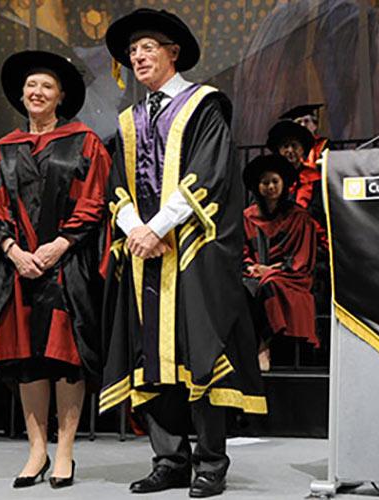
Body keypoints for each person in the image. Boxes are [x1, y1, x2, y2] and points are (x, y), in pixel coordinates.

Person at [101, 9, 267, 497]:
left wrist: (157, 228)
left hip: (193, 252)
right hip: (146, 258)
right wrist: (135, 228)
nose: (138, 57)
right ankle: (169, 458)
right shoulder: (129, 121)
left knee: (200, 353)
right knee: (151, 358)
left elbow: (210, 175)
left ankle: (210, 462)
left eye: (148, 48)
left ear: (174, 53)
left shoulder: (204, 105)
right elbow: (118, 188)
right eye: (133, 52)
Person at [0, 50, 111, 488]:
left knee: (64, 359)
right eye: (30, 87)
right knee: (27, 362)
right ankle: (36, 450)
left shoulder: (85, 142)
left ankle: (65, 451)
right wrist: (13, 251)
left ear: (61, 96)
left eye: (46, 86)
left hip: (65, 265)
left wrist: (58, 246)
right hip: (17, 269)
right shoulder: (3, 149)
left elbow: (94, 201)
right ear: (22, 97)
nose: (37, 92)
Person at [241, 155, 319, 372]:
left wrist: (273, 270)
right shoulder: (248, 217)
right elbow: (242, 251)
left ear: (284, 184)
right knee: (240, 287)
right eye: (265, 182)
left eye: (275, 181)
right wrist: (250, 267)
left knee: (269, 284)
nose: (270, 186)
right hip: (255, 273)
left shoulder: (299, 217)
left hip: (291, 276)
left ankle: (264, 347)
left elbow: (302, 259)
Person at [278, 103, 329, 169]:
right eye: (299, 122)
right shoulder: (288, 148)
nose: (303, 125)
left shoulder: (325, 145)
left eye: (306, 121)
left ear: (315, 125)